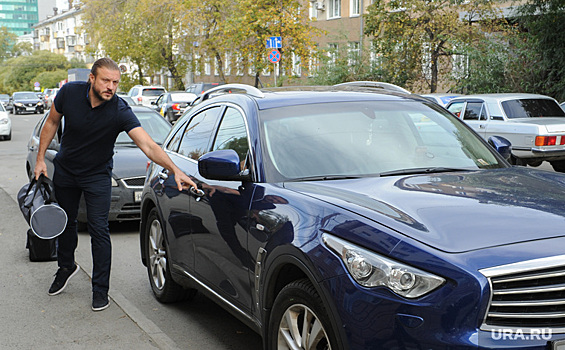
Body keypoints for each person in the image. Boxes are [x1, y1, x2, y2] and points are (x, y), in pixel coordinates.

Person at [34, 57, 197, 311]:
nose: (111, 86)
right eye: (106, 81)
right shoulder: (69, 93)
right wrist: (40, 158)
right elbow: (52, 122)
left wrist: (174, 169)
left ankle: (100, 289)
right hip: (66, 171)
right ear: (92, 78)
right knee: (66, 223)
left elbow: (148, 145)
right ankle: (66, 267)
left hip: (98, 175)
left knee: (99, 230)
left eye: (115, 82)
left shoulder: (119, 110)